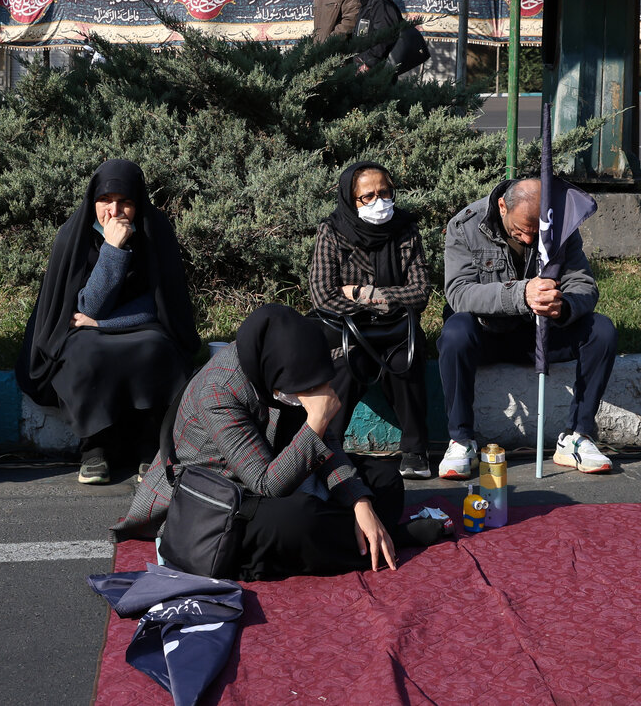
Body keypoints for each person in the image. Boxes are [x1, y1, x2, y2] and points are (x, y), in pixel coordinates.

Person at [116, 305, 449, 581]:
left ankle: (349, 531)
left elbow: (326, 445)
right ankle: (391, 538)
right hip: (219, 495)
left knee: (385, 481)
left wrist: (359, 502)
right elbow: (268, 484)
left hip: (274, 464)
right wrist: (317, 420)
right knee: (297, 520)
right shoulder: (219, 392)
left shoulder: (277, 363)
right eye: (300, 390)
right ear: (274, 373)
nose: (302, 397)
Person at [16, 160, 200, 484]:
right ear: (94, 202)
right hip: (83, 332)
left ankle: (150, 446)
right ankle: (94, 449)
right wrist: (113, 250)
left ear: (138, 202)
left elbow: (161, 306)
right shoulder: (74, 238)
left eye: (125, 202)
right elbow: (89, 307)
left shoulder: (154, 232)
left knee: (156, 348)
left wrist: (106, 325)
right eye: (106, 201)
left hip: (141, 328)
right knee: (85, 353)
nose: (114, 211)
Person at [437, 178, 617, 478]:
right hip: (488, 332)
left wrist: (565, 305)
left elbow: (583, 283)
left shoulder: (559, 225)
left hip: (544, 333)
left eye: (536, 233)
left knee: (602, 330)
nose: (530, 240)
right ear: (502, 206)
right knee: (455, 331)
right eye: (521, 230)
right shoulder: (465, 225)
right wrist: (521, 294)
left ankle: (578, 436)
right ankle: (461, 439)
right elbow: (459, 292)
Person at [309, 162, 432, 479]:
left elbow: (419, 293)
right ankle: (324, 453)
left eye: (385, 192)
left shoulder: (404, 229)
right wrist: (389, 300)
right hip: (349, 331)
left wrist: (364, 294)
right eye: (369, 196)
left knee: (409, 359)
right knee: (346, 368)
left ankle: (415, 451)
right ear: (352, 200)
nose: (380, 201)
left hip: (395, 332)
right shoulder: (333, 231)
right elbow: (323, 295)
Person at [352, 0, 403, 72]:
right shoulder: (367, 4)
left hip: (374, 72)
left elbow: (385, 37)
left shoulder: (380, 4)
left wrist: (368, 64)